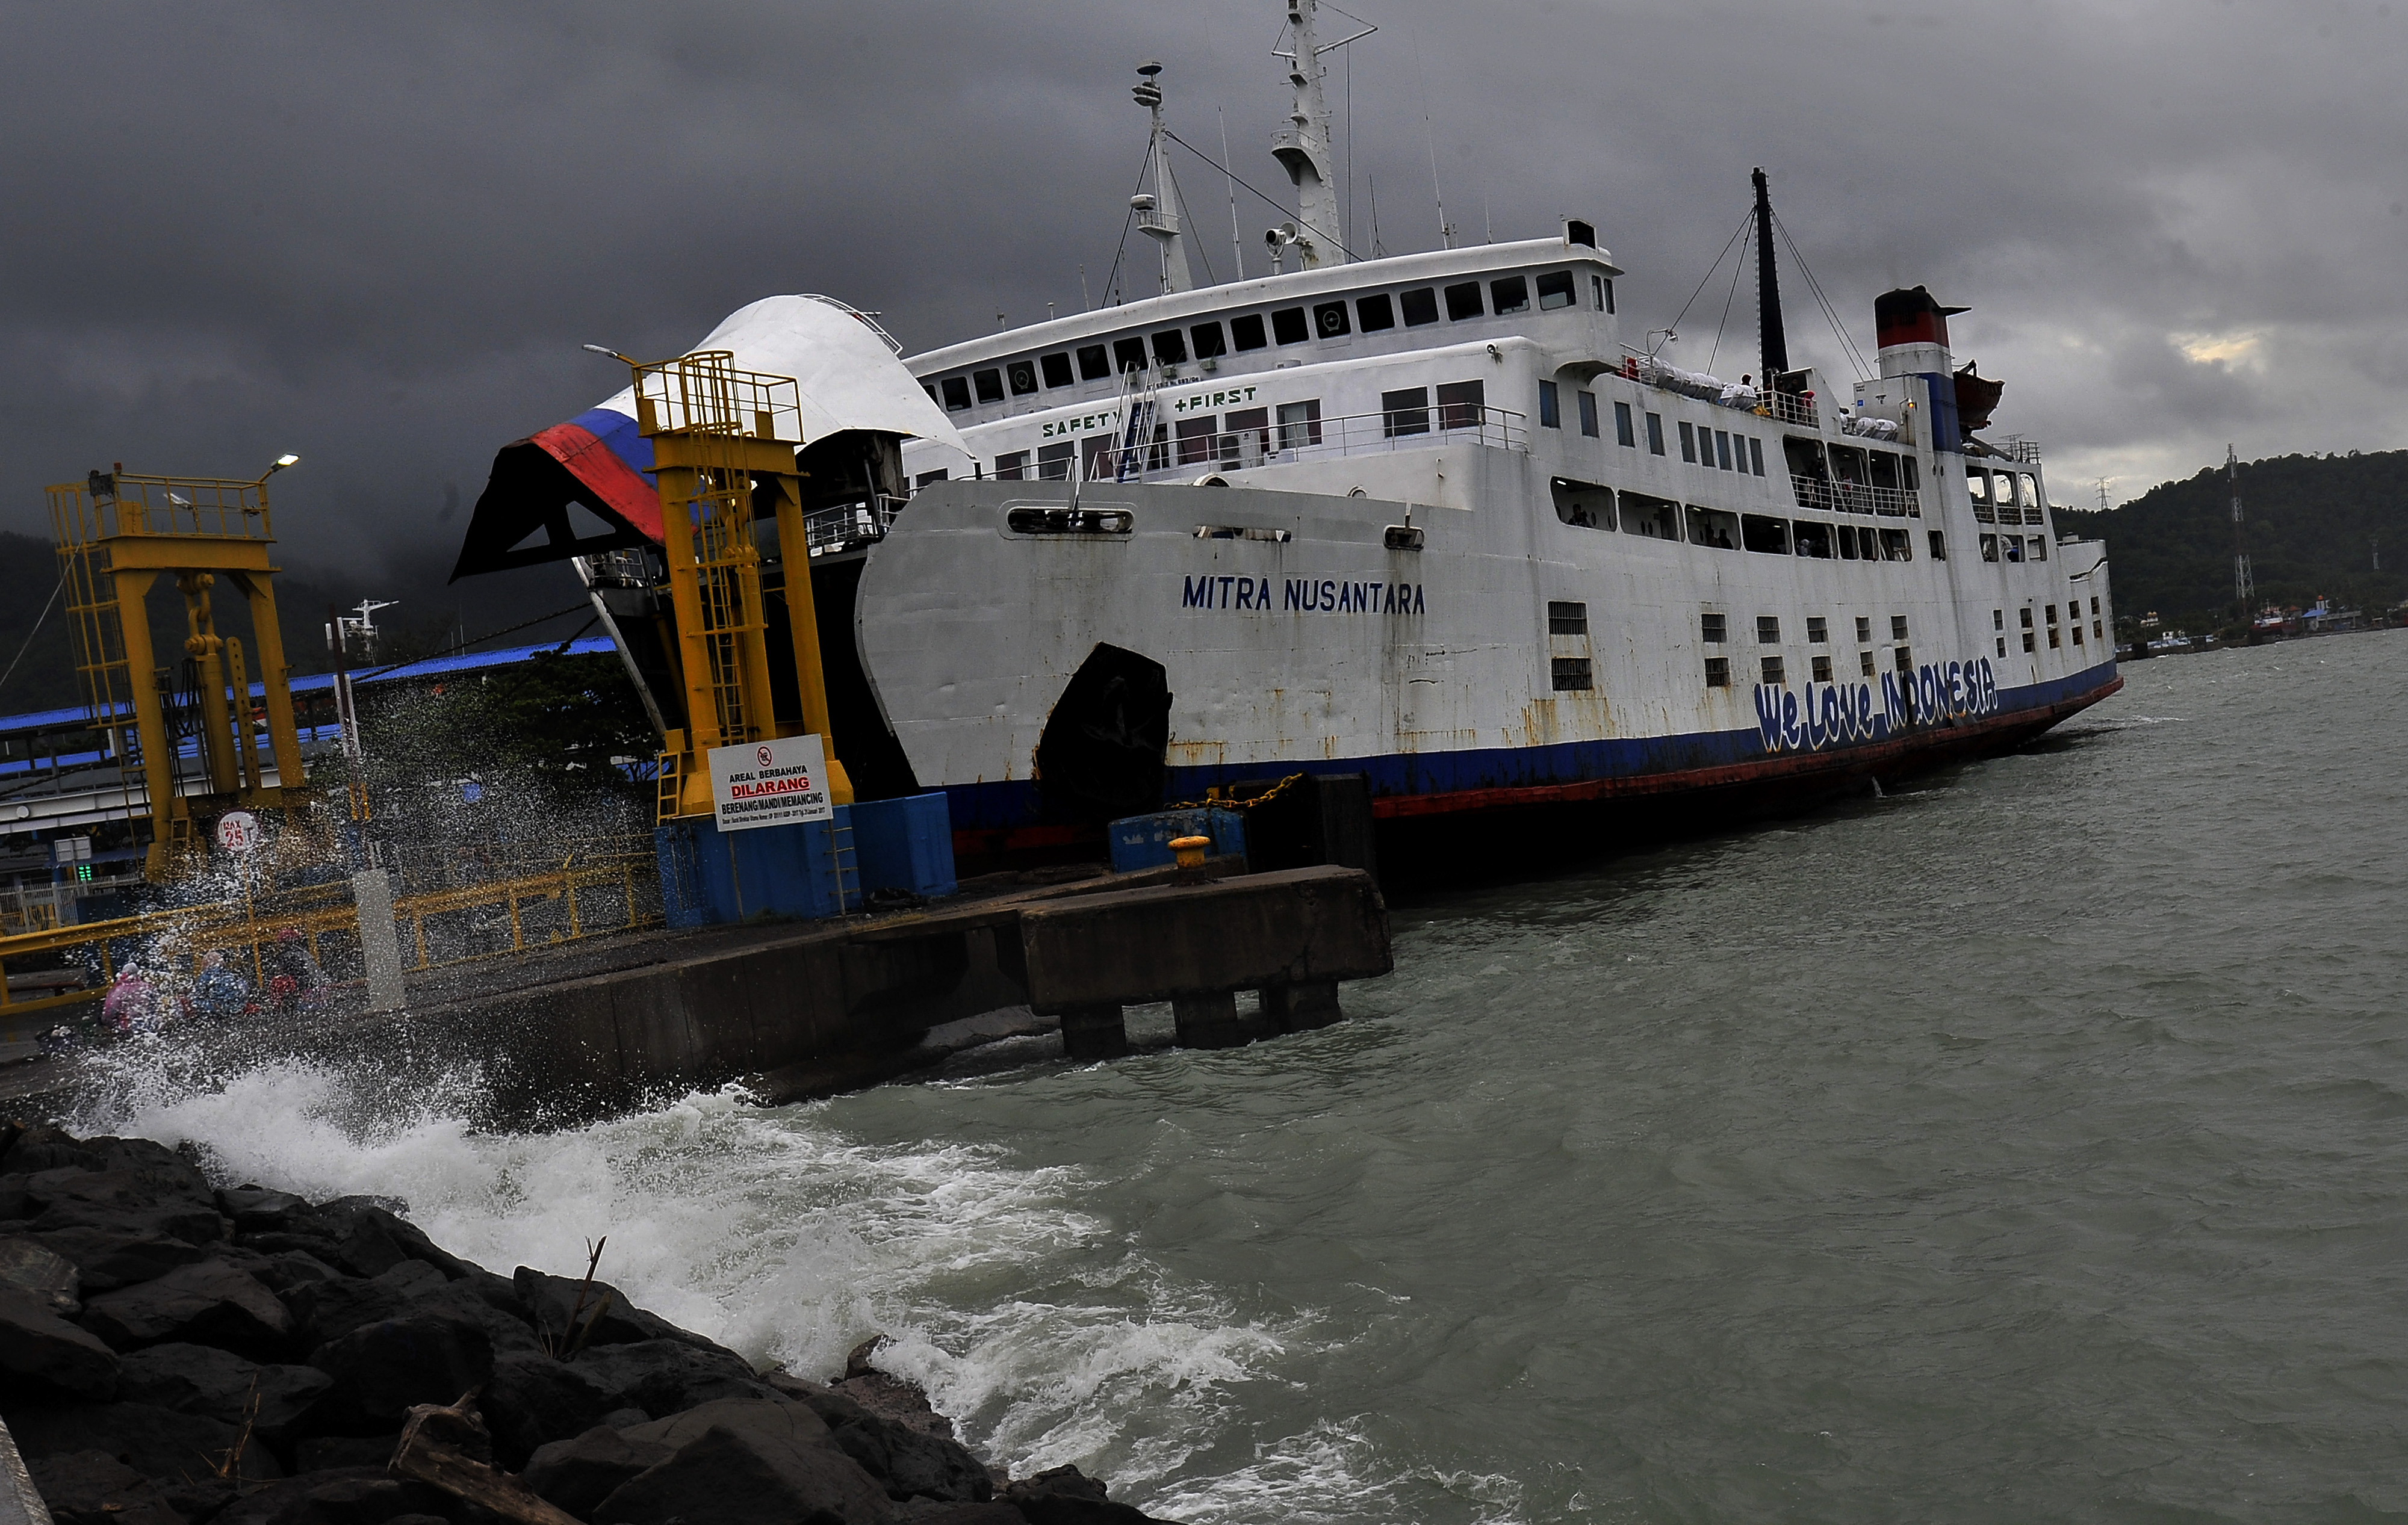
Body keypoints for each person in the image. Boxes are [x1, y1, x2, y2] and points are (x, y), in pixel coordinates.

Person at [262, 926, 327, 1014]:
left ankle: (286, 1006)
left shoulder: (285, 957)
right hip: (318, 993)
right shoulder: (304, 953)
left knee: (278, 982)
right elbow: (316, 975)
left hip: (304, 996)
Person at [190, 948, 252, 1022]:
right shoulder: (228, 974)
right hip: (235, 1005)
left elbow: (197, 997)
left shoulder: (205, 977)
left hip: (217, 1009)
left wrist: (213, 1007)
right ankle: (236, 1008)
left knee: (197, 1000)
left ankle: (218, 1011)